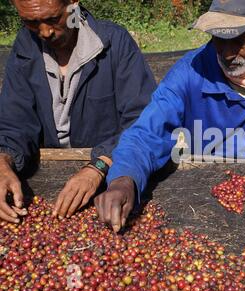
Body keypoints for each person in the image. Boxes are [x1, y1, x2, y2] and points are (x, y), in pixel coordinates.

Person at [95, 0, 245, 233]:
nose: (227, 54)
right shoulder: (192, 72)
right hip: (212, 195)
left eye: (239, 42)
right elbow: (147, 132)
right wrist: (124, 179)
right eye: (219, 40)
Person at [0, 0, 156, 223]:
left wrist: (99, 166)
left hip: (110, 174)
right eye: (31, 22)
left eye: (53, 19)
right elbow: (15, 122)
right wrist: (3, 161)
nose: (44, 32)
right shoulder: (26, 46)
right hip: (50, 175)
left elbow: (144, 120)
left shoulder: (114, 43)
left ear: (73, 3)